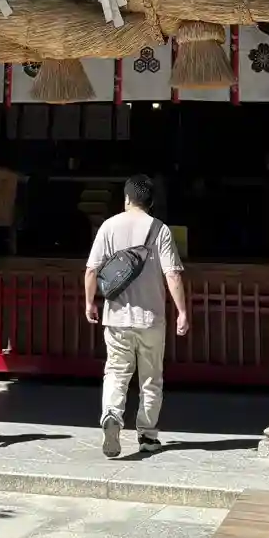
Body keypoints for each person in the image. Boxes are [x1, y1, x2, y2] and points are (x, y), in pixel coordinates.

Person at [84, 175, 189, 459]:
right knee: (151, 379)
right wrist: (182, 312)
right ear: (151, 201)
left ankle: (112, 415)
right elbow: (172, 274)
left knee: (116, 372)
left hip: (116, 318)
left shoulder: (109, 226)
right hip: (151, 319)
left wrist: (90, 303)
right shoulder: (160, 229)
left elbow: (91, 270)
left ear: (127, 198)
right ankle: (147, 435)